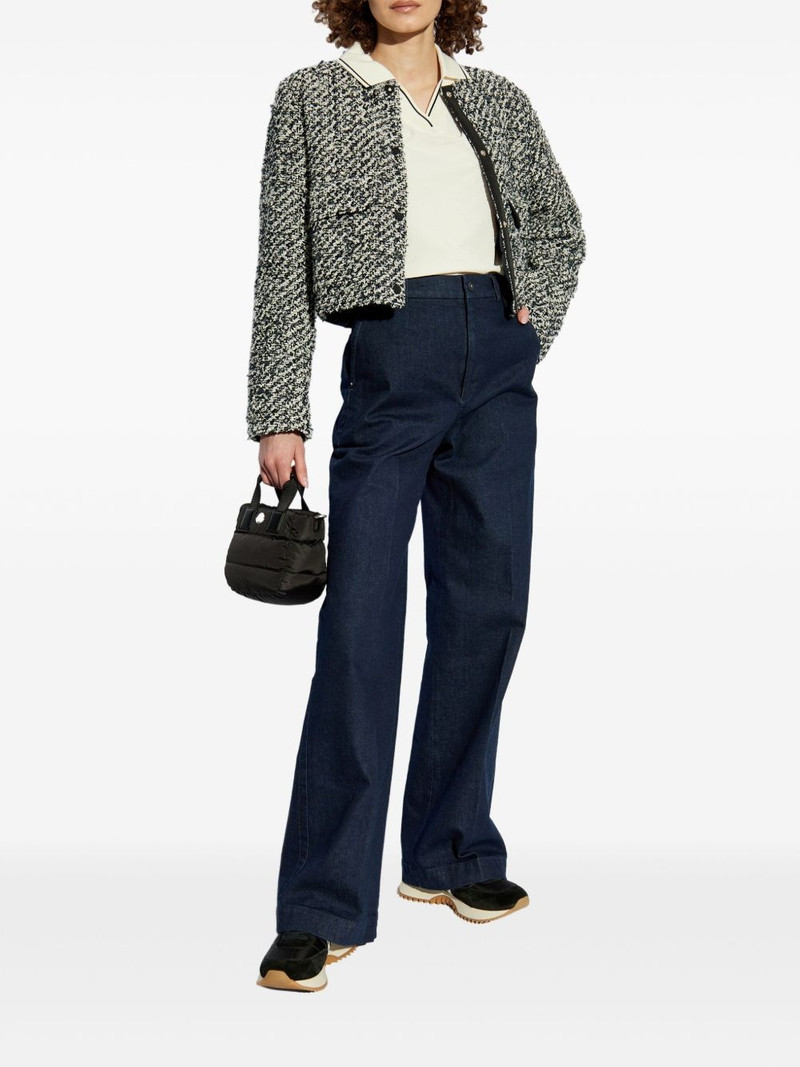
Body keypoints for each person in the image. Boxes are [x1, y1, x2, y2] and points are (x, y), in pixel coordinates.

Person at [248, 0, 586, 993]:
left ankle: (450, 848)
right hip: (392, 359)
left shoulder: (498, 98)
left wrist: (529, 325)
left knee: (488, 607)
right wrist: (279, 411)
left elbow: (559, 226)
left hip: (497, 366)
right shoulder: (312, 97)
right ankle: (320, 905)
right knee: (360, 627)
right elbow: (282, 259)